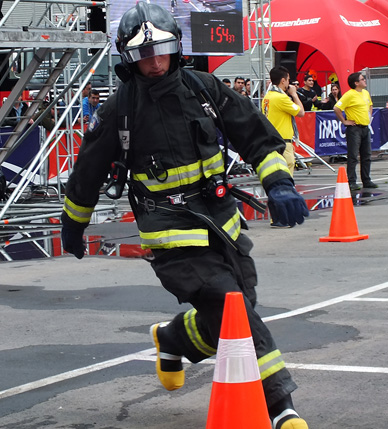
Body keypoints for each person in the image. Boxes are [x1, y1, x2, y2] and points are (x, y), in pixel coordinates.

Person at [61, 3, 309, 429]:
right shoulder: (120, 110)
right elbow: (87, 170)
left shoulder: (204, 89)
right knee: (232, 306)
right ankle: (279, 405)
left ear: (176, 49)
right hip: (172, 236)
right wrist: (73, 222)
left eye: (162, 51)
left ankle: (173, 337)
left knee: (234, 310)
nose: (154, 62)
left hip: (223, 224)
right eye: (143, 55)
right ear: (128, 57)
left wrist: (279, 183)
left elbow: (255, 134)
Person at [334, 72, 378, 191]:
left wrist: (369, 116)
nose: (365, 81)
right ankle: (352, 181)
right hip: (354, 128)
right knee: (353, 155)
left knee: (366, 155)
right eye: (362, 79)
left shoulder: (366, 93)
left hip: (365, 127)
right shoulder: (349, 95)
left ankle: (366, 180)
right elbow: (337, 108)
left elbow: (370, 105)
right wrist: (344, 121)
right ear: (356, 83)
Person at [263, 66, 305, 180]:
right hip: (283, 142)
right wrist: (294, 94)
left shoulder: (268, 96)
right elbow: (301, 112)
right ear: (283, 81)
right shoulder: (281, 98)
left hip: (272, 141)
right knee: (287, 174)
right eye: (288, 80)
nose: (289, 83)